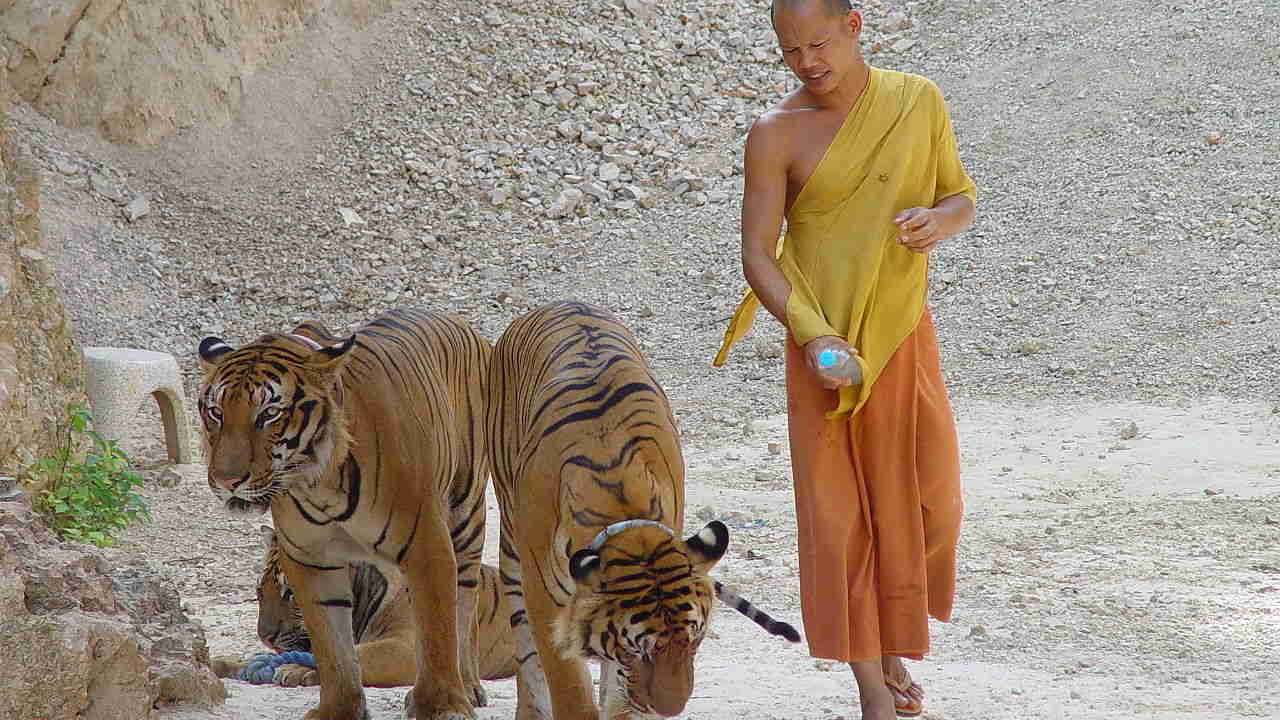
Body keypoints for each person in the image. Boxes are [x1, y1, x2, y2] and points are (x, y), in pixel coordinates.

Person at [711, 1, 976, 718]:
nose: (809, 63)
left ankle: (895, 645)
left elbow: (960, 196)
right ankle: (871, 692)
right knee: (838, 522)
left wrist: (938, 223)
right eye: (791, 52)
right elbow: (757, 255)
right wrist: (812, 336)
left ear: (855, 27)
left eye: (820, 44)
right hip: (823, 349)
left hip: (900, 338)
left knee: (929, 505)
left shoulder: (916, 101)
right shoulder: (775, 133)